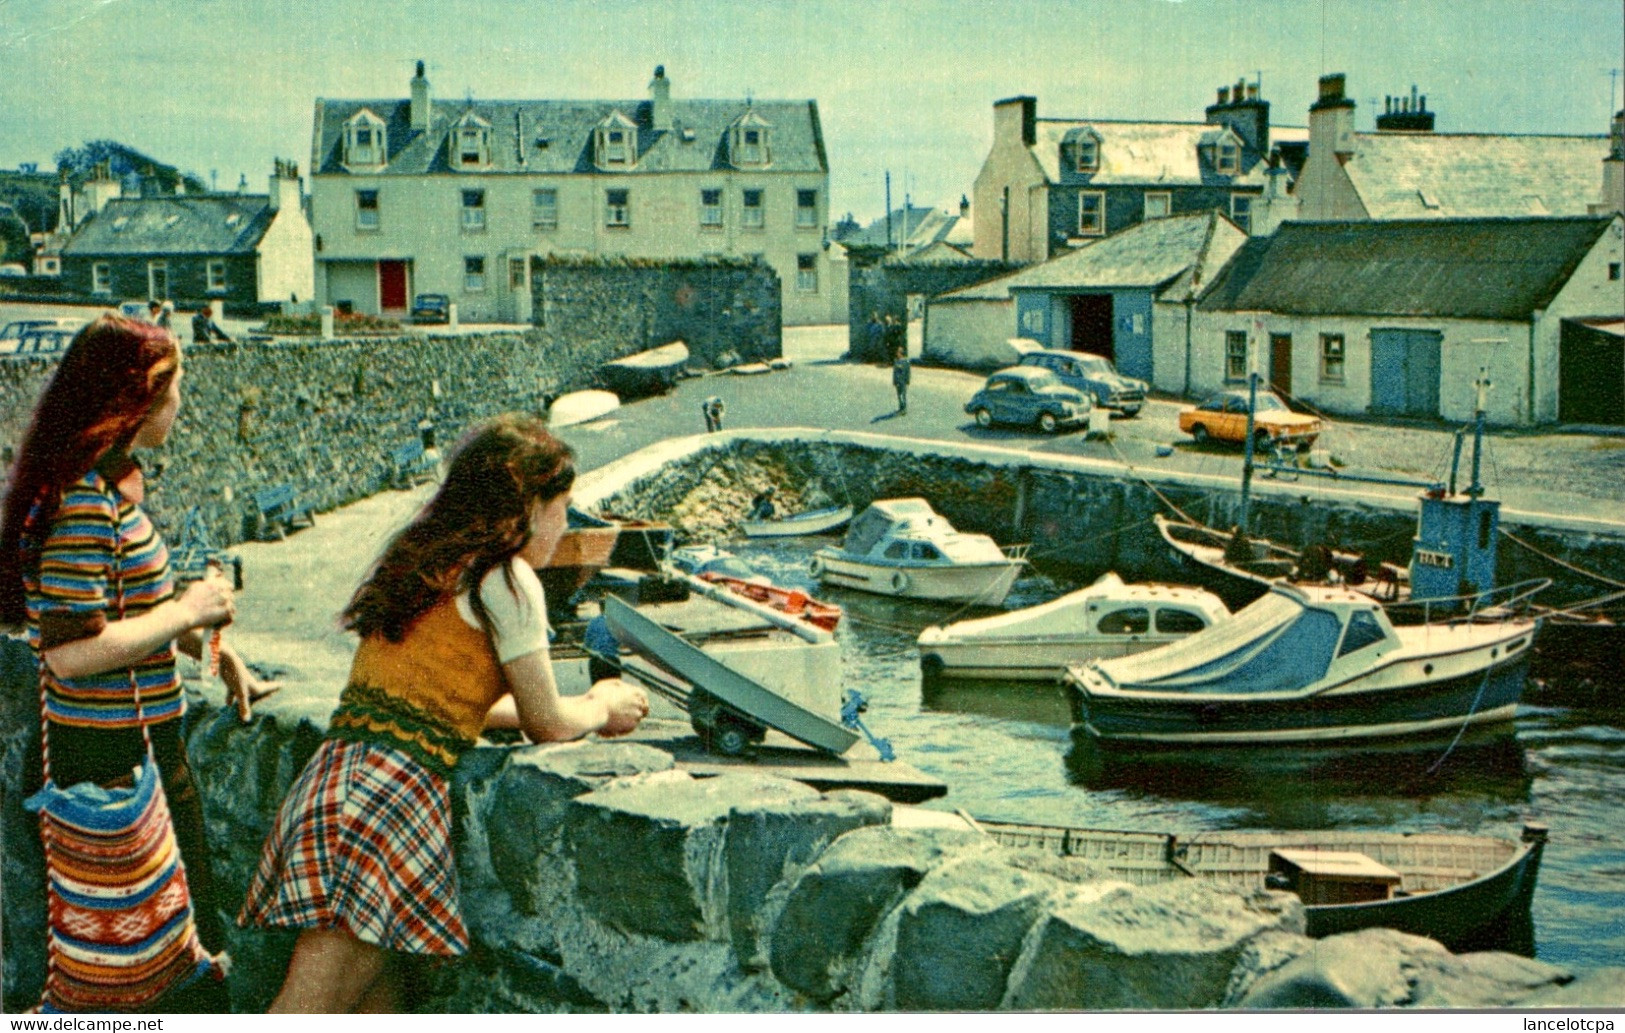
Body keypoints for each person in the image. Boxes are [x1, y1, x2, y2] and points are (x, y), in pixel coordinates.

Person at [238, 414, 650, 1013]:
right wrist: (601, 703)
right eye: (561, 506)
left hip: (337, 785)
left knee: (379, 1009)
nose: (565, 525)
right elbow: (549, 723)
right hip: (387, 811)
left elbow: (444, 703)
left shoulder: (424, 563)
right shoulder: (508, 580)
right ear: (527, 508)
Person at [0, 315, 278, 960]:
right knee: (159, 962)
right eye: (175, 387)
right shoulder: (85, 503)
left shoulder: (109, 487)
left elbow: (123, 611)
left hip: (138, 748)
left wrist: (212, 647)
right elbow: (70, 655)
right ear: (140, 396)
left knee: (167, 947)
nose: (182, 404)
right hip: (111, 763)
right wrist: (186, 611)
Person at [892, 345, 911, 414]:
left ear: (901, 353)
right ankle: (900, 407)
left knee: (903, 395)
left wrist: (907, 380)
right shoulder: (896, 361)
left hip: (903, 381)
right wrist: (894, 381)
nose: (897, 354)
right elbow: (894, 372)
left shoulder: (906, 361)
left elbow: (908, 372)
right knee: (899, 395)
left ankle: (904, 408)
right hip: (897, 381)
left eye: (898, 352)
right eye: (897, 352)